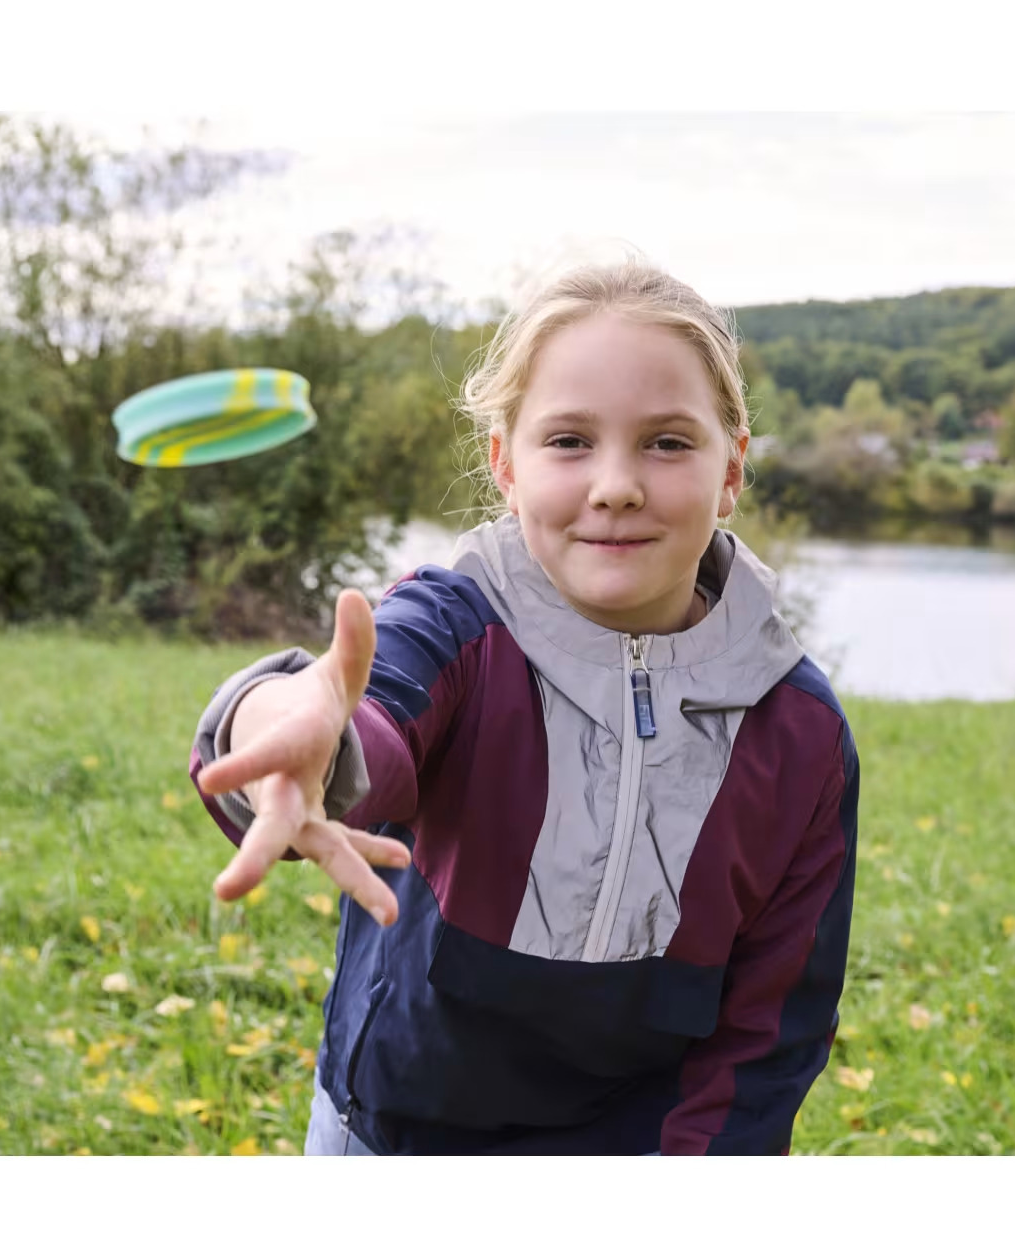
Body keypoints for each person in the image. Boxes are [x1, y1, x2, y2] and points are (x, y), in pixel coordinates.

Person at [190, 259, 859, 1155]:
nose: (616, 485)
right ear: (505, 463)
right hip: (391, 1135)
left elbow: (771, 1031)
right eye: (570, 441)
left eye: (667, 443)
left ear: (731, 468)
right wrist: (290, 732)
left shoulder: (799, 732)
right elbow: (361, 718)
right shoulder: (455, 626)